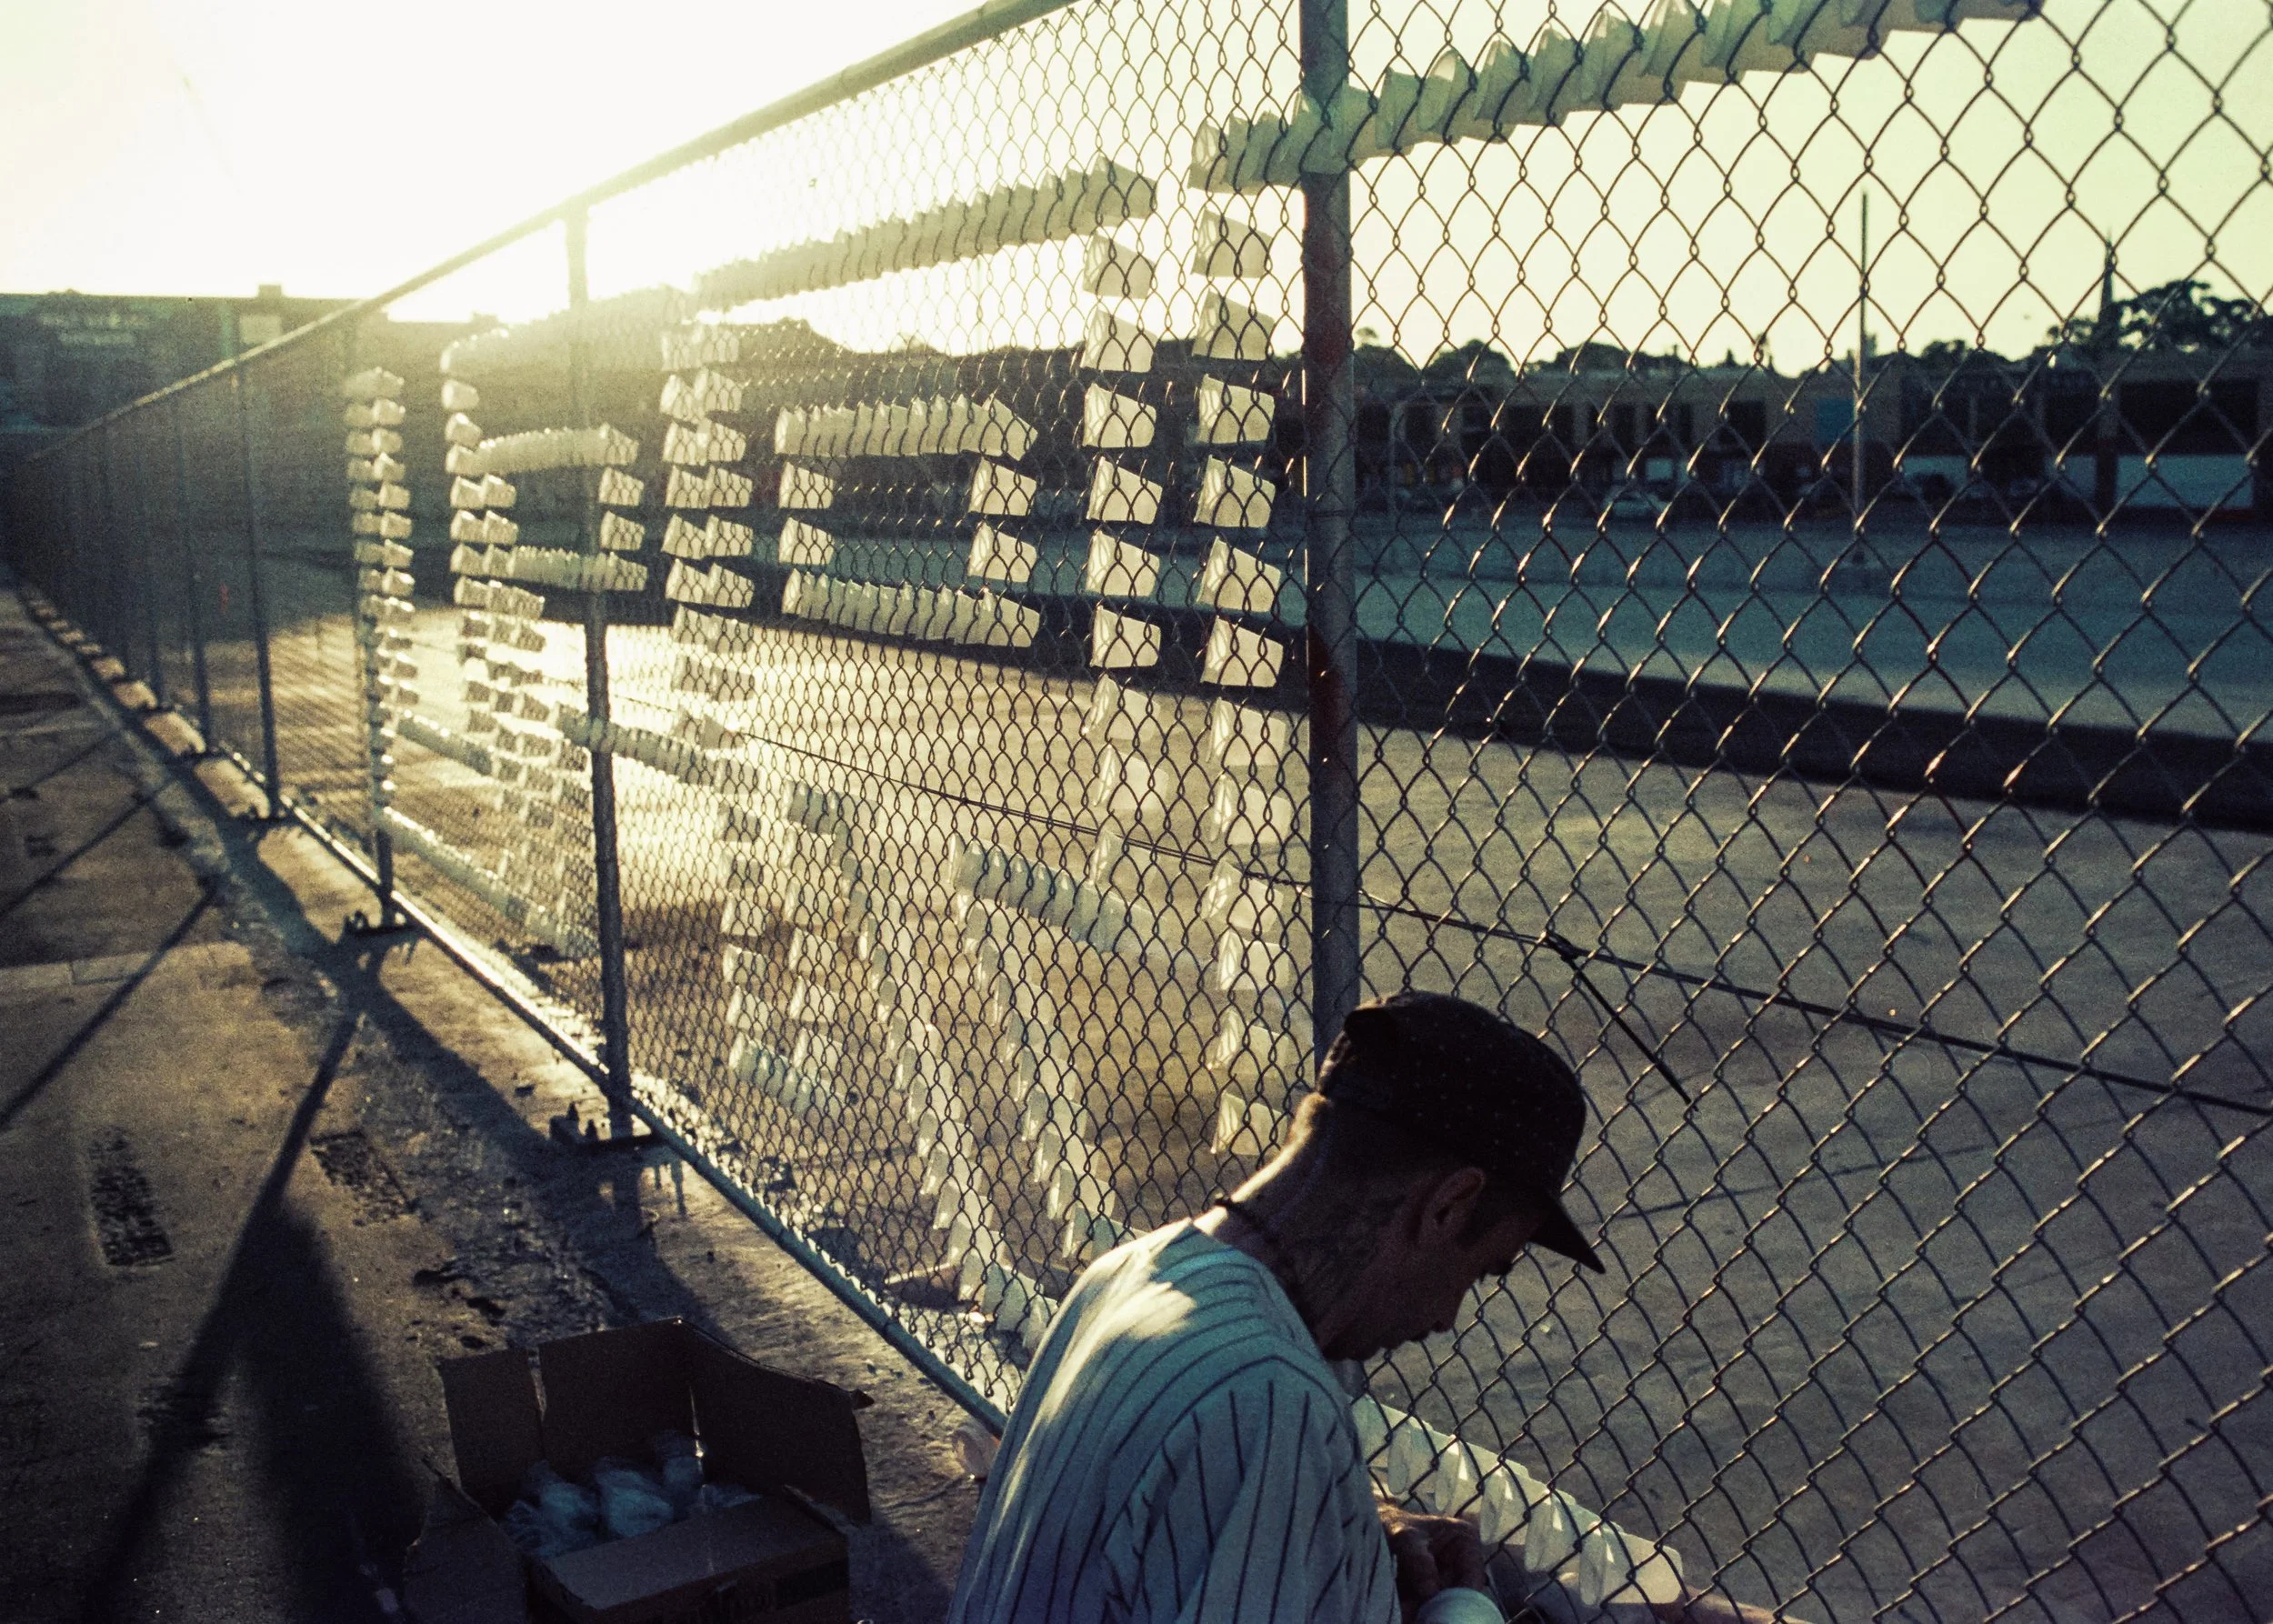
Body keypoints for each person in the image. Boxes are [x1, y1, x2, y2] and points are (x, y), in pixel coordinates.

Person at [944, 989, 1620, 1624]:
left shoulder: (1129, 1273)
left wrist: (1348, 1525)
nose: (1447, 1317)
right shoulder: (1268, 1400)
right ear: (1448, 1205)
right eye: (1481, 1270)